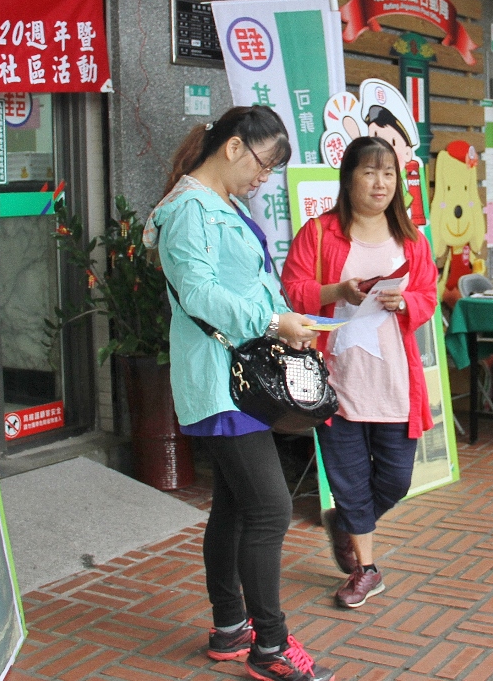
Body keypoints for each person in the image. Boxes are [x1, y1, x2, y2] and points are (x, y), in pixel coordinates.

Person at [142, 106, 333, 681]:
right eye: (264, 164)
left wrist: (286, 319)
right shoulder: (187, 210)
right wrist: (275, 324)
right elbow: (199, 294)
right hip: (222, 383)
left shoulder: (219, 203)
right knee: (271, 510)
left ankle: (230, 627)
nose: (264, 179)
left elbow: (248, 284)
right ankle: (269, 648)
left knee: (233, 505)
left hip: (239, 378)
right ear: (232, 147)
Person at [282, 136, 438, 610]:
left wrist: (405, 300)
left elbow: (428, 296)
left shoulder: (411, 240)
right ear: (348, 177)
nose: (380, 182)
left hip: (393, 383)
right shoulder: (320, 232)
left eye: (388, 173)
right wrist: (337, 290)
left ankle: (347, 522)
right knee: (348, 479)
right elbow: (293, 289)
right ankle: (366, 570)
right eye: (369, 172)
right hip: (336, 383)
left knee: (395, 479)